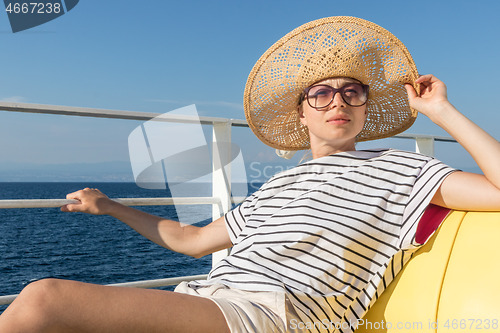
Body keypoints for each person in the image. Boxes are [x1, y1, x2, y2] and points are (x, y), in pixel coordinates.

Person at [1, 16, 499, 333]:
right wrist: (108, 206)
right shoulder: (278, 186)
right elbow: (190, 241)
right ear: (301, 113)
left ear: (366, 107)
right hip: (208, 302)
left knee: (45, 299)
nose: (339, 101)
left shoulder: (401, 170)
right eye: (321, 94)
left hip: (275, 318)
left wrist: (441, 111)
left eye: (353, 91)